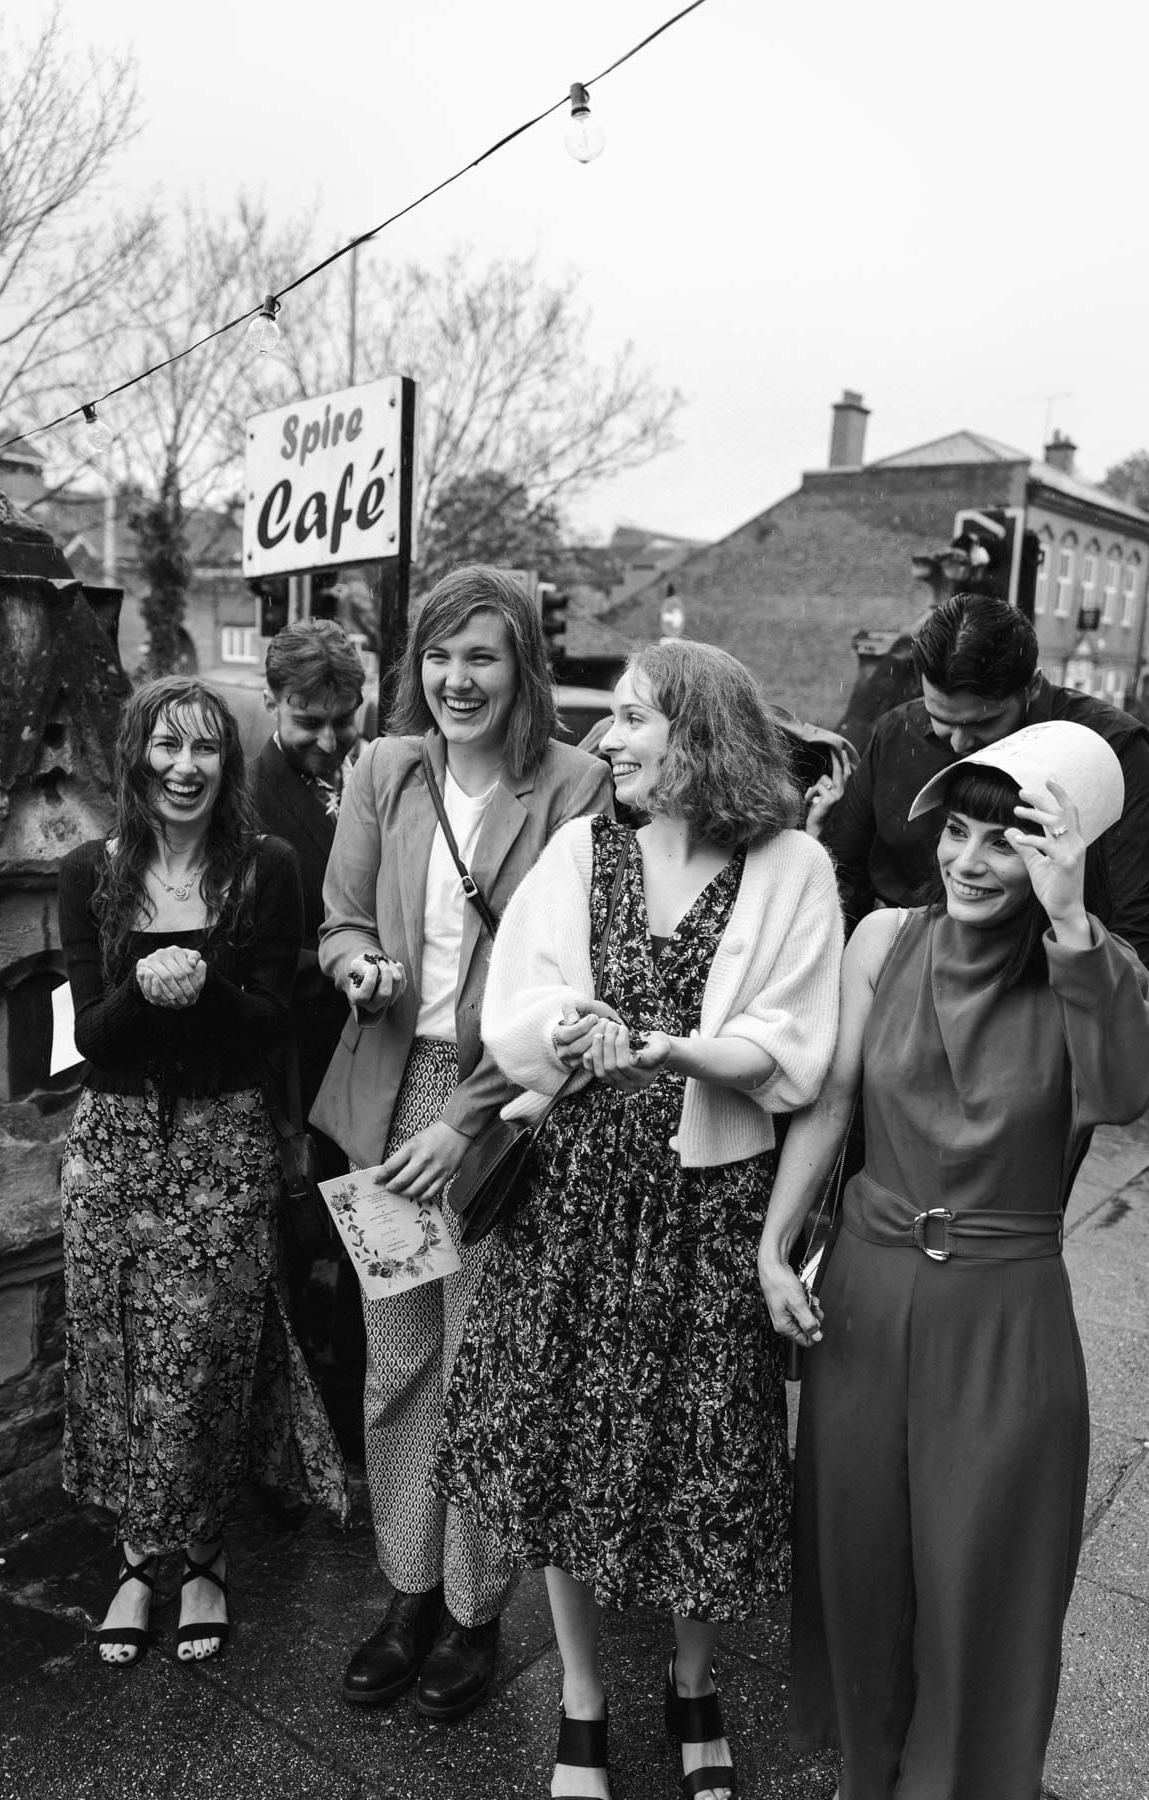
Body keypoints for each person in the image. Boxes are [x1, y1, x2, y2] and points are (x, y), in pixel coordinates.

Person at [435, 641, 844, 1800]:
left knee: (701, 1458)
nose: (606, 740)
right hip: (573, 1197)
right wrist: (570, 1032)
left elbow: (793, 1050)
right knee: (562, 1444)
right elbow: (515, 1005)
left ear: (697, 733)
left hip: (710, 1207)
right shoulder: (582, 848)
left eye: (630, 718)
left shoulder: (793, 866)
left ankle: (694, 1680)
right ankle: (580, 1701)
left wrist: (665, 1049)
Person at [758, 719, 1149, 1800]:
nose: (969, 861)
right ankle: (865, 1778)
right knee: (862, 1564)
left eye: (1006, 841)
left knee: (982, 1587)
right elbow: (834, 1102)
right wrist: (776, 1242)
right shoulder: (883, 937)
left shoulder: (1094, 973)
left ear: (1059, 856)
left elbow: (1121, 1097)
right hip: (870, 1293)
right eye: (958, 832)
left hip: (1003, 1311)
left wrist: (1070, 916)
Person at [312, 565, 612, 1722]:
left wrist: (463, 1115)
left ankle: (478, 1610)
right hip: (387, 1101)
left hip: (502, 1113)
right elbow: (340, 918)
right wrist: (357, 965)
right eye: (439, 656)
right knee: (399, 1364)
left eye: (481, 655)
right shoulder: (386, 772)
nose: (456, 678)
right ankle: (408, 1589)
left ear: (523, 667)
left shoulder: (578, 788)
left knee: (486, 1368)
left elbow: (569, 975)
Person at [57, 676, 349, 1669]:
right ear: (135, 756)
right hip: (118, 1146)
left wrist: (207, 988)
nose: (185, 769)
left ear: (228, 761)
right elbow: (94, 1035)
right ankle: (141, 1562)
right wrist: (144, 989)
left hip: (226, 1143)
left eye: (205, 750)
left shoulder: (264, 867)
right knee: (123, 1355)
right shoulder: (85, 874)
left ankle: (209, 1554)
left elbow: (275, 1021)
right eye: (165, 747)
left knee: (217, 1355)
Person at [809, 591, 1149, 963]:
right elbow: (842, 877)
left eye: (982, 723)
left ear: (1032, 686)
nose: (958, 742)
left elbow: (1132, 929)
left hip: (1043, 980)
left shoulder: (1111, 749)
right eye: (940, 719)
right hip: (899, 964)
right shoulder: (896, 733)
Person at [252, 618, 368, 1462]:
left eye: (343, 718)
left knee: (368, 1245)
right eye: (307, 721)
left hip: (367, 1055)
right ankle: (294, 1439)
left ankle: (361, 1414)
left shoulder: (374, 774)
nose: (327, 740)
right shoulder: (246, 797)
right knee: (292, 1248)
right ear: (271, 705)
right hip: (287, 1057)